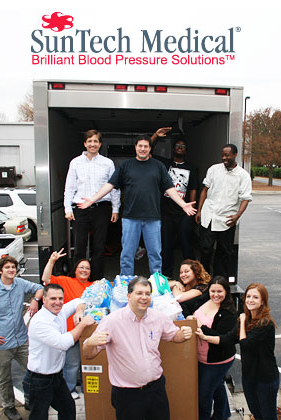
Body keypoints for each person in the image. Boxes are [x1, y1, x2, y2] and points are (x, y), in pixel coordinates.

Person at [78, 135, 196, 276]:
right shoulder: (126, 165)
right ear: (135, 147)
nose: (143, 149)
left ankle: (156, 283)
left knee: (155, 255)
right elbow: (110, 185)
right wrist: (92, 200)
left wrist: (183, 205)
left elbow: (169, 188)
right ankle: (126, 283)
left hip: (153, 218)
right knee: (127, 254)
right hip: (130, 218)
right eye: (140, 146)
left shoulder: (158, 166)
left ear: (150, 149)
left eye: (146, 146)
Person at [83, 276, 192, 420]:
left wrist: (183, 334)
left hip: (156, 389)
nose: (144, 297)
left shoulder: (158, 317)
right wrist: (90, 343)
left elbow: (173, 336)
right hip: (127, 395)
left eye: (147, 294)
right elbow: (88, 355)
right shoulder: (111, 321)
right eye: (139, 293)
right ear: (128, 296)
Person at [199, 283, 280, 420]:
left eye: (255, 297)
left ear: (262, 302)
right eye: (248, 296)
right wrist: (205, 336)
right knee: (255, 411)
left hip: (265, 378)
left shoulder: (266, 324)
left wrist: (242, 322)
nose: (250, 300)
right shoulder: (246, 319)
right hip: (249, 376)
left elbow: (245, 344)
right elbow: (228, 338)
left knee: (268, 415)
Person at [0, 256, 43, 420]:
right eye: (7, 267)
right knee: (5, 378)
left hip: (22, 340)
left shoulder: (20, 284)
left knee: (32, 372)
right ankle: (9, 407)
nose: (11, 270)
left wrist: (35, 300)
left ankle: (30, 400)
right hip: (1, 344)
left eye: (13, 267)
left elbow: (39, 287)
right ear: (0, 270)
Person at [23, 283, 95, 420]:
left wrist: (79, 312)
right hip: (39, 380)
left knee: (68, 409)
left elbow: (78, 301)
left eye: (60, 299)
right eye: (53, 299)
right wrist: (83, 324)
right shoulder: (40, 322)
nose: (58, 302)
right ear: (44, 300)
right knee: (39, 416)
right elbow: (63, 343)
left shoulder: (60, 311)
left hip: (56, 377)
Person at [64, 129, 120, 280]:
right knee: (79, 247)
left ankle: (96, 280)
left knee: (99, 247)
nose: (92, 144)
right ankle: (78, 280)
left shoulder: (107, 163)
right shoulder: (75, 162)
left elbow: (114, 187)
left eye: (95, 141)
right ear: (85, 143)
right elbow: (69, 187)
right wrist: (68, 208)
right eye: (90, 141)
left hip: (101, 209)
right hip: (80, 209)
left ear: (100, 144)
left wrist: (115, 209)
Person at [195, 144, 252, 280]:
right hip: (208, 217)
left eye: (227, 155)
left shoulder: (243, 176)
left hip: (227, 220)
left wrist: (237, 216)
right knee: (205, 250)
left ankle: (219, 281)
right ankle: (204, 279)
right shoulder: (213, 170)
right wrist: (199, 210)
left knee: (224, 252)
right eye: (222, 155)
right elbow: (205, 190)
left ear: (234, 155)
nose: (224, 158)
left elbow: (245, 199)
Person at [41, 249, 92, 399]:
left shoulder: (94, 286)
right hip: (71, 332)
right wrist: (52, 261)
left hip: (89, 333)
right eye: (81, 267)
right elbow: (46, 279)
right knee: (72, 364)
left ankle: (87, 389)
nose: (84, 270)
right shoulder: (66, 281)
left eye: (87, 268)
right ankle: (69, 390)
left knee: (88, 364)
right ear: (75, 270)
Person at [151, 127, 198, 278]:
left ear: (186, 151)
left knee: (186, 243)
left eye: (183, 147)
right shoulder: (165, 164)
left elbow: (193, 189)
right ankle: (167, 276)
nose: (180, 148)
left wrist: (192, 208)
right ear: (173, 149)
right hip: (166, 212)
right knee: (167, 244)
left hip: (184, 212)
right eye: (177, 146)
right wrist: (155, 136)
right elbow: (147, 151)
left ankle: (194, 274)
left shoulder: (191, 168)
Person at [188, 276, 237, 420]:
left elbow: (222, 337)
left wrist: (200, 326)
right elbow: (187, 306)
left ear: (226, 292)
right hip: (201, 357)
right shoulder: (205, 299)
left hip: (217, 360)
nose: (216, 295)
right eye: (213, 291)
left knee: (204, 393)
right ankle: (223, 414)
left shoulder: (228, 312)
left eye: (220, 291)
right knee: (217, 386)